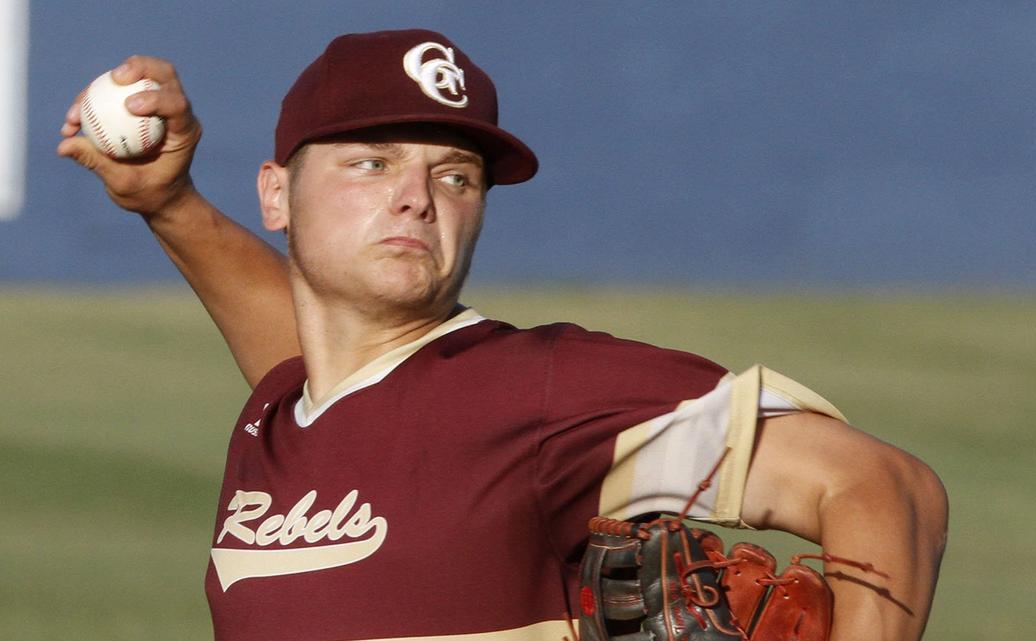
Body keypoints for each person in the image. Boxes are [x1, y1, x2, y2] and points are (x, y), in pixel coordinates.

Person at [59, 29, 947, 641]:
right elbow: (338, 375)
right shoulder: (287, 410)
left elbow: (883, 483)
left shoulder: (544, 391)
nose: (416, 195)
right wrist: (169, 205)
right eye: (371, 164)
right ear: (276, 196)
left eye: (456, 175)